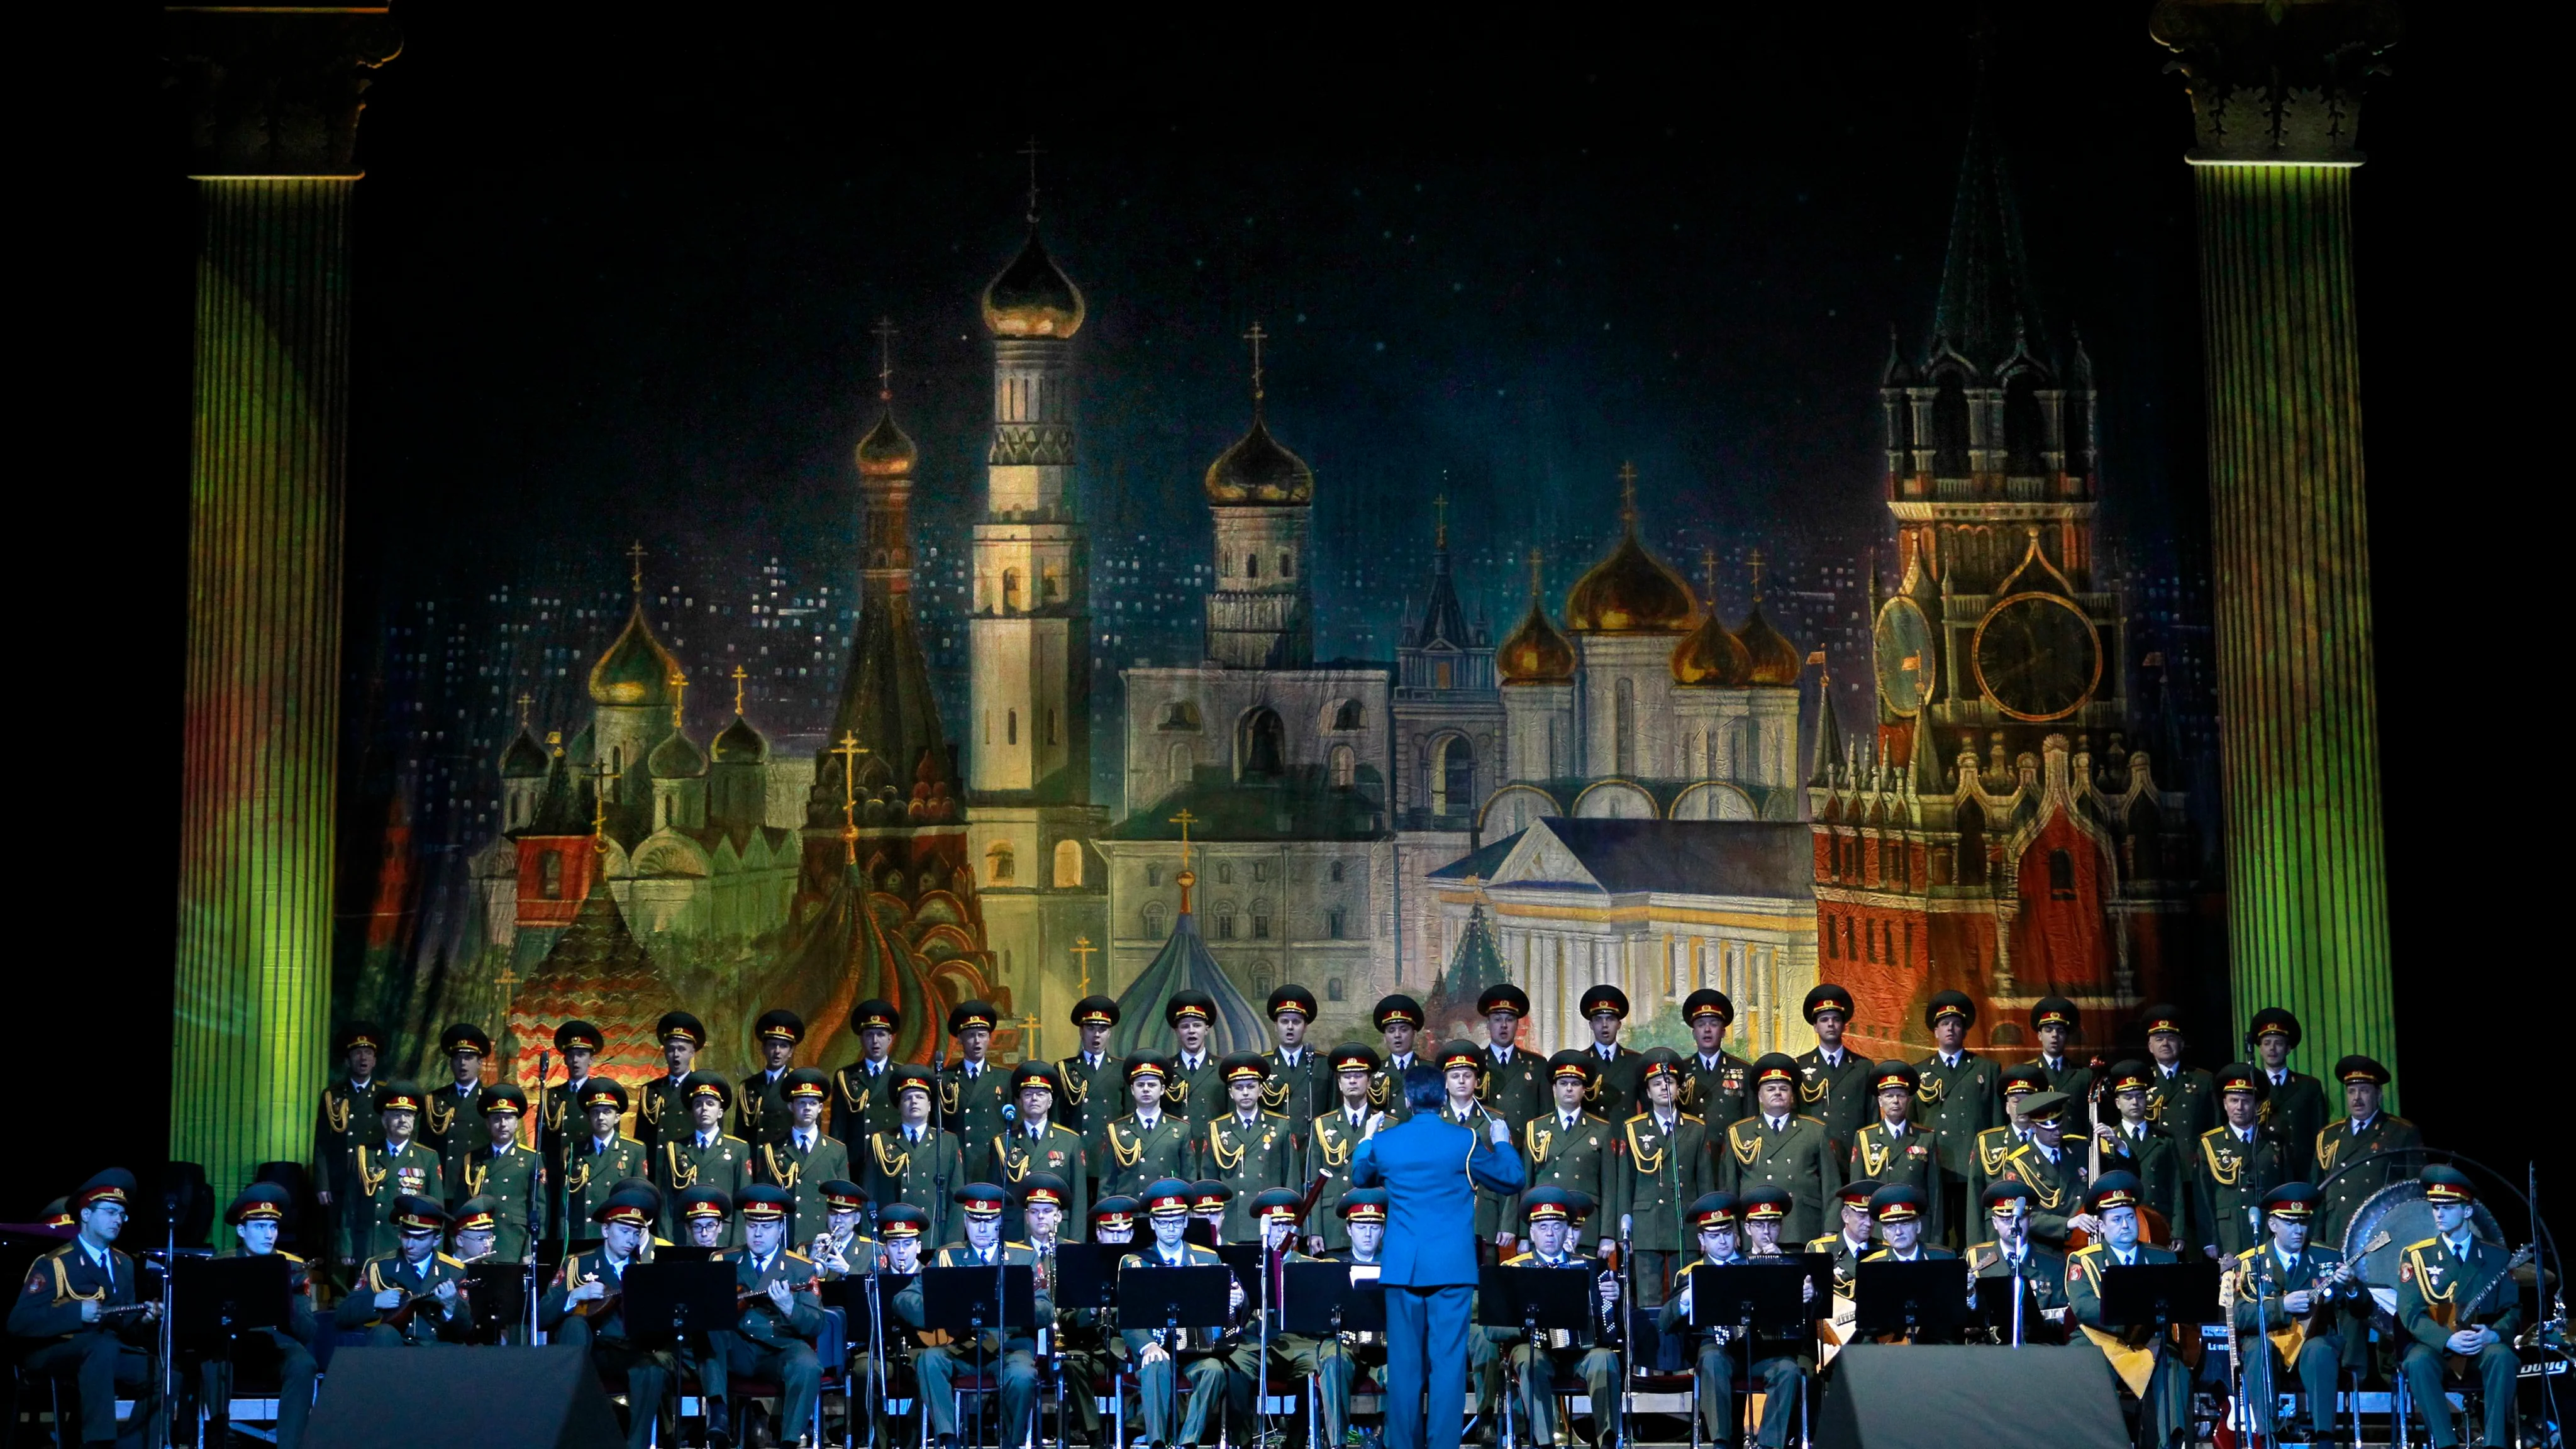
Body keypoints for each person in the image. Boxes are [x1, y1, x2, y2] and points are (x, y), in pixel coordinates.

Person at [1347, 1063, 1528, 1449]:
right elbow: (1512, 1179)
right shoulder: (1464, 1141)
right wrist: (1503, 1140)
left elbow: (1360, 1176)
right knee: (1447, 1368)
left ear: (1408, 1100)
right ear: (1443, 1097)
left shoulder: (1387, 1143)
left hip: (1403, 1270)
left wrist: (1367, 1138)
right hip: (1451, 1270)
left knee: (1405, 1368)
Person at [9, 1170, 162, 1446]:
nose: (118, 1220)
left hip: (105, 1352)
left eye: (121, 1214)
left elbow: (123, 1322)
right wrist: (75, 1313)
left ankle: (133, 1444)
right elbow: (19, 1322)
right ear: (86, 1214)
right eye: (110, 1212)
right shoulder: (54, 1263)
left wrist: (145, 1319)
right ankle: (98, 1443)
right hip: (55, 1351)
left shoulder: (123, 1263)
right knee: (100, 1348)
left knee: (164, 1374)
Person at [897, 1182, 1051, 1449]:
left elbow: (1046, 1309)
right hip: (962, 1347)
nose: (982, 1228)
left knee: (1023, 1376)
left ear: (999, 1222)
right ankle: (948, 1437)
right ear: (966, 1221)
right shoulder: (948, 1257)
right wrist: (938, 1311)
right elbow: (904, 1299)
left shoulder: (1022, 1258)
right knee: (929, 1359)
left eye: (989, 1221)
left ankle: (1012, 1443)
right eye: (975, 1220)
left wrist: (1016, 1307)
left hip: (1008, 1348)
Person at [1662, 1191, 1807, 1449]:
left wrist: (1779, 1269)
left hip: (1759, 1352)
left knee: (1788, 1370)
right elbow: (1664, 1323)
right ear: (1702, 1240)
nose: (1722, 1241)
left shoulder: (1756, 1264)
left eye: (1727, 1233)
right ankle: (1722, 1442)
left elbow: (1792, 1313)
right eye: (1714, 1236)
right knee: (1711, 1358)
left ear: (1737, 1234)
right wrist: (1686, 1299)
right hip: (1720, 1354)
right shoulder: (1692, 1273)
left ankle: (1769, 1444)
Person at [2232, 1181, 2367, 1444]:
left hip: (2311, 1344)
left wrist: (2352, 1287)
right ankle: (2268, 1438)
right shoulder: (2250, 1261)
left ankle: (2325, 1438)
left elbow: (2361, 1310)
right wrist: (2282, 1306)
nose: (2298, 1230)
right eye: (2290, 1223)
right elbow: (2238, 1315)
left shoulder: (2327, 1257)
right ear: (2272, 1225)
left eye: (2303, 1223)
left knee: (2320, 1350)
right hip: (2268, 1345)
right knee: (2258, 1349)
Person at [2397, 1166, 2521, 1449]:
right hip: (2438, 1343)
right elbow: (2410, 1313)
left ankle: (2495, 1444)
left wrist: (2493, 1334)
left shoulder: (2496, 1256)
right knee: (2416, 1362)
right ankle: (2446, 1444)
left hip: (2480, 1344)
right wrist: (2447, 1339)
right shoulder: (2416, 1255)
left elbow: (2512, 1309)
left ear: (2467, 1211)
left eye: (2448, 1207)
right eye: (2435, 1207)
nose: (2439, 1214)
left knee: (2502, 1357)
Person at [539, 1189, 672, 1449]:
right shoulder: (578, 1264)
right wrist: (574, 1295)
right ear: (605, 1231)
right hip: (588, 1351)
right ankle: (572, 1434)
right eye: (624, 1231)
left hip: (627, 1349)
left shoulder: (645, 1271)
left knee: (654, 1370)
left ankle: (637, 1445)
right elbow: (542, 1315)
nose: (630, 1240)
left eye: (636, 1233)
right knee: (575, 1324)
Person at [1489, 1187, 1621, 1449]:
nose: (1550, 1233)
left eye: (1557, 1226)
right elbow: (1493, 1330)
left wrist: (1615, 1299)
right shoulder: (1515, 1269)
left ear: (1567, 1230)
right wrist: (1527, 1323)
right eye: (1543, 1227)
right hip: (1535, 1350)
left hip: (1581, 1355)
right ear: (1532, 1232)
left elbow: (1612, 1326)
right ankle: (1543, 1442)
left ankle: (1605, 1440)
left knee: (1605, 1358)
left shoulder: (1590, 1267)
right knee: (1530, 1360)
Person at [1118, 1177, 1243, 1449]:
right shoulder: (1134, 1262)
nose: (1171, 1228)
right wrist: (1147, 1344)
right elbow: (1127, 1318)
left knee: (1214, 1371)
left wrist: (1236, 1301)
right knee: (1155, 1364)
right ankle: (1157, 1443)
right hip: (1155, 1346)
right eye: (1163, 1221)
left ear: (1187, 1221)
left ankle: (1189, 1441)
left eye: (1177, 1221)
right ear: (1152, 1223)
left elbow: (1223, 1316)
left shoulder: (1208, 1258)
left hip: (1197, 1350)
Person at [2066, 1172, 2189, 1449]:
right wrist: (2130, 1319)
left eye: (2130, 1217)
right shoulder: (2083, 1260)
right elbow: (2085, 1308)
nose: (2125, 1225)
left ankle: (2171, 1442)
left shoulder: (2163, 1257)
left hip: (2148, 1340)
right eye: (2117, 1220)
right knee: (2084, 1362)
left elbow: (2177, 1303)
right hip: (2102, 1339)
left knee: (2173, 1366)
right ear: (2101, 1225)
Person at [1226, 1188, 1354, 1449]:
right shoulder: (1244, 1262)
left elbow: (1323, 1319)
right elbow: (1232, 1317)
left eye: (1286, 1224)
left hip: (1299, 1344)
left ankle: (1296, 1442)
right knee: (1232, 1368)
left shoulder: (1311, 1266)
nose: (1281, 1232)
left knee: (1320, 1371)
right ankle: (1242, 1442)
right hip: (1255, 1342)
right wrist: (1238, 1304)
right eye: (1274, 1225)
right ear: (1263, 1228)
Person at [200, 1183, 318, 1449]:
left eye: (273, 1227)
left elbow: (308, 1332)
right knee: (211, 1360)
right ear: (242, 1231)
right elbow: (203, 1323)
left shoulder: (294, 1269)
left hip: (274, 1350)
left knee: (304, 1364)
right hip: (231, 1349)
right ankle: (218, 1439)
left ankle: (290, 1445)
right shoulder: (220, 1265)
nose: (269, 1235)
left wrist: (284, 1296)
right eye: (260, 1226)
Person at [718, 1184, 828, 1446]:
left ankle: (790, 1440)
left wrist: (790, 1307)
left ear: (780, 1229)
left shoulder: (800, 1268)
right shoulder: (724, 1262)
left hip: (779, 1348)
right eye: (752, 1225)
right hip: (739, 1347)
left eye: (766, 1227)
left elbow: (817, 1324)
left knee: (808, 1365)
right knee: (710, 1335)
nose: (758, 1234)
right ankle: (717, 1416)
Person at [1613, 1048, 1709, 1313]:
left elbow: (1704, 1182)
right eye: (1657, 1084)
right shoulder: (1633, 1128)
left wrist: (1706, 1227)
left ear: (1679, 1087)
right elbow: (1625, 1180)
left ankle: (1687, 1355)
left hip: (1683, 1223)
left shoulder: (1695, 1128)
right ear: (1648, 1091)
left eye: (1669, 1082)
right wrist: (1624, 1225)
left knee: (1687, 1298)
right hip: (1646, 1222)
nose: (1664, 1088)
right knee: (1647, 1299)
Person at [1718, 1053, 1841, 1244]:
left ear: (1792, 1096)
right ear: (1760, 1096)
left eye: (1784, 1088)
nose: (1777, 1093)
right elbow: (1729, 1188)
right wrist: (1732, 1229)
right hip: (1755, 1228)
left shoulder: (1815, 1130)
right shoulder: (1739, 1132)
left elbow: (1831, 1186)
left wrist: (1831, 1229)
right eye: (1770, 1089)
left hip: (1802, 1227)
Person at [1913, 991, 1997, 1238]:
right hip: (1934, 1163)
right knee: (1935, 1231)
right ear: (1935, 1031)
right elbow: (1914, 1124)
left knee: (1969, 1231)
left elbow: (1996, 1122)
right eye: (1944, 1024)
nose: (1950, 1029)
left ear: (1965, 1030)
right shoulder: (1919, 1072)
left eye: (1957, 1024)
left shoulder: (1986, 1069)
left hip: (1971, 1163)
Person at [2314, 1055, 2422, 1245]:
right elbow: (2318, 1195)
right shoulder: (2329, 1136)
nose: (2357, 1098)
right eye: (2351, 1091)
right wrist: (2315, 1242)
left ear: (2378, 1094)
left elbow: (2414, 1193)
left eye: (2364, 1091)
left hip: (2381, 1234)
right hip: (2337, 1234)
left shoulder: (2400, 1132)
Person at [336, 1194, 470, 1346]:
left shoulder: (454, 1271)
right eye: (406, 1236)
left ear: (437, 1240)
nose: (410, 1245)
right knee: (382, 1333)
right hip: (394, 1349)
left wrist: (451, 1306)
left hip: (434, 1351)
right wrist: (375, 1301)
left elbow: (465, 1330)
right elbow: (342, 1315)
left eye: (420, 1239)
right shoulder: (379, 1267)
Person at [2193, 1062, 2292, 1263]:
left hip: (2267, 1230)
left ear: (2257, 1106)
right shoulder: (2210, 1143)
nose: (2240, 1107)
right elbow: (2203, 1197)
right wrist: (2209, 1239)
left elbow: (2286, 1189)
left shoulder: (2275, 1143)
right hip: (2228, 1232)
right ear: (2224, 1103)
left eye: (2246, 1101)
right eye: (2234, 1100)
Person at [1518, 1050, 1616, 1250]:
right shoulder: (1535, 1128)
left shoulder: (1601, 1129)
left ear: (1584, 1089)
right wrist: (1524, 1234)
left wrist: (1607, 1234)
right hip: (1545, 1224)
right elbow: (1526, 1183)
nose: (1569, 1089)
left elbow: (1609, 1186)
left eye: (1575, 1084)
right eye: (1563, 1084)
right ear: (1554, 1088)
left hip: (1585, 1225)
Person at [862, 1063, 968, 1246]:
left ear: (929, 1105)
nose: (914, 1102)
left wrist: (953, 1245)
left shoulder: (947, 1141)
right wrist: (870, 1243)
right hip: (894, 1236)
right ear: (899, 1106)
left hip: (935, 1236)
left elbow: (956, 1198)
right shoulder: (882, 1141)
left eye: (920, 1097)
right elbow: (870, 1195)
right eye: (907, 1098)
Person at [1431, 1039, 1518, 1253]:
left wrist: (1507, 1223)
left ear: (1477, 1081)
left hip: (1484, 1214)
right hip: (1441, 1214)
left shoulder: (1495, 1121)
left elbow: (1507, 1171)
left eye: (1468, 1076)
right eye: (1455, 1076)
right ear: (1445, 1081)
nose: (1462, 1081)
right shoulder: (1433, 1120)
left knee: (1483, 1277)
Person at [312, 1021, 386, 1269]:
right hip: (339, 1179)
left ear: (375, 1060)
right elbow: (322, 1142)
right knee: (337, 1239)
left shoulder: (384, 1096)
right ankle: (337, 1297)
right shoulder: (333, 1095)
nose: (363, 1058)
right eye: (357, 1053)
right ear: (348, 1060)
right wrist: (322, 1183)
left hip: (372, 1178)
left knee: (367, 1234)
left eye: (368, 1053)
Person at [1200, 1053, 1296, 1241]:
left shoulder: (1280, 1125)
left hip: (1271, 1221)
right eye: (1239, 1087)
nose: (1245, 1092)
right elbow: (1209, 1181)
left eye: (1251, 1087)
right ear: (1230, 1093)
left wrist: (1292, 1227)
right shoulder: (1217, 1128)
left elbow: (1290, 1179)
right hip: (1230, 1223)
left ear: (1261, 1090)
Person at [1847, 1060, 1944, 1248]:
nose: (1895, 1101)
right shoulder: (1865, 1137)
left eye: (1901, 1095)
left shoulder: (1925, 1137)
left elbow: (1935, 1194)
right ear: (1880, 1100)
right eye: (1889, 1095)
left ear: (1909, 1099)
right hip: (1879, 1229)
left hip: (1916, 1227)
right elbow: (1858, 1193)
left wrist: (1936, 1237)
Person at [2094, 1060, 2189, 1248]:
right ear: (2117, 1103)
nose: (2135, 1102)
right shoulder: (2107, 1138)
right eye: (2128, 1097)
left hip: (2159, 1221)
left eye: (2140, 1096)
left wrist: (2178, 1231)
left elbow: (2176, 1188)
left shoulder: (2165, 1140)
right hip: (2121, 1224)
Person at [347, 1082, 442, 1267]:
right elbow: (350, 1206)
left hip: (409, 1246)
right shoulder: (365, 1155)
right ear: (384, 1120)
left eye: (408, 1115)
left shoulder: (428, 1158)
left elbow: (437, 1212)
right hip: (369, 1245)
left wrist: (435, 1252)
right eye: (397, 1115)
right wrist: (347, 1247)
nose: (403, 1120)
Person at [1306, 1043, 1387, 1252]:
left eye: (1359, 1075)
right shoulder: (1322, 1125)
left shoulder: (1388, 1124)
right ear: (1339, 1083)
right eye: (1346, 1076)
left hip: (1374, 1224)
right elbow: (1312, 1182)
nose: (1352, 1080)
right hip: (1332, 1224)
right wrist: (1313, 1229)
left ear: (1369, 1082)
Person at [996, 1060, 1089, 1240]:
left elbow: (1079, 1200)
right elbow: (997, 1199)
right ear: (1020, 1101)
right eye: (1028, 1094)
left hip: (1059, 1233)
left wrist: (1076, 1244)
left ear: (1050, 1101)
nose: (1034, 1099)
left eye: (1041, 1094)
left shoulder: (1070, 1141)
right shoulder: (1003, 1142)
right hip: (1016, 1235)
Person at [449, 1081, 541, 1261]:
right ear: (488, 1123)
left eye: (508, 1118)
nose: (502, 1124)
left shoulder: (532, 1159)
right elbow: (459, 1210)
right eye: (497, 1119)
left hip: (513, 1245)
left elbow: (538, 1212)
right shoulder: (472, 1160)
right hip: (475, 1248)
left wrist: (530, 1251)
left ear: (516, 1123)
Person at [1965, 1179, 2067, 1340]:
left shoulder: (2053, 1263)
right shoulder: (1974, 1257)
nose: (2012, 1226)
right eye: (2005, 1220)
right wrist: (1970, 1295)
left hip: (2036, 1350)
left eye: (2018, 1219)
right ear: (1995, 1223)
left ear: (2030, 1220)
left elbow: (2060, 1321)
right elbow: (1963, 1319)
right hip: (1987, 1352)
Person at [656, 1075, 752, 1244]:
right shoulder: (676, 1149)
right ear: (692, 1111)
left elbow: (741, 1204)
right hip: (684, 1236)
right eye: (698, 1104)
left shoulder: (738, 1149)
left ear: (720, 1112)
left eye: (710, 1104)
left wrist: (738, 1245)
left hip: (722, 1235)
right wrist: (666, 1243)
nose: (704, 1109)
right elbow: (667, 1204)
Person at [761, 1066, 852, 1244]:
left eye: (812, 1103)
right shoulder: (772, 1150)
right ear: (791, 1106)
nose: (807, 1108)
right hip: (785, 1238)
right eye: (802, 1103)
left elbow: (843, 1203)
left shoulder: (836, 1151)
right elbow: (766, 1201)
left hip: (822, 1238)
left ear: (820, 1108)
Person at [1997, 1091, 2090, 1248]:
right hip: (2042, 1247)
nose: (2057, 1132)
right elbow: (2023, 1214)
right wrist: (2067, 1223)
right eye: (2049, 1128)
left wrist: (2120, 1148)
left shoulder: (2081, 1148)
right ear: (2033, 1127)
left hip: (2083, 1241)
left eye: (2060, 1126)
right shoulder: (2018, 1162)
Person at [2247, 1008, 2329, 1182]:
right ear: (2260, 1049)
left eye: (2278, 1043)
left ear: (2289, 1048)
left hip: (2302, 1172)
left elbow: (2320, 1137)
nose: (2272, 1049)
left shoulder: (2309, 1086)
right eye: (2267, 1043)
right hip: (2265, 1173)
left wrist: (2316, 1178)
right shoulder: (2250, 1086)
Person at [1793, 985, 1872, 1162]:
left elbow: (1872, 1118)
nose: (1830, 1024)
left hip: (1852, 1155)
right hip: (1814, 1154)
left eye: (1836, 1019)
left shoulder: (1863, 1067)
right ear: (1815, 1026)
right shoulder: (1800, 1066)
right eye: (1824, 1019)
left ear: (1844, 1025)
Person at [1101, 1053, 1194, 1200]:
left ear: (1163, 1089)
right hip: (1130, 1211)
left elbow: (1189, 1180)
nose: (1146, 1089)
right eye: (1140, 1085)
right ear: (1132, 1090)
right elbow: (1107, 1183)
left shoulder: (1181, 1129)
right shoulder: (1117, 1130)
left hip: (1166, 1211)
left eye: (1152, 1085)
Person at [561, 1079, 649, 1232]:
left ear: (617, 1117)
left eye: (607, 1112)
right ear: (589, 1117)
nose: (601, 1117)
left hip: (617, 1232)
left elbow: (640, 1197)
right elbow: (565, 1203)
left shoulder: (635, 1150)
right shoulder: (575, 1151)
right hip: (582, 1233)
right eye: (595, 1112)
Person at [1059, 995, 1126, 1191]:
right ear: (1081, 1031)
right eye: (1091, 1029)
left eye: (1102, 1030)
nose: (1096, 1036)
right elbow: (1058, 1119)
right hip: (1077, 1155)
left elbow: (1128, 1117)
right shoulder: (1065, 1069)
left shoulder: (1121, 1070)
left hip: (1111, 1155)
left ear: (1110, 1033)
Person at [940, 999, 1013, 1170]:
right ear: (960, 1038)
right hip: (957, 1163)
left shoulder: (1004, 1078)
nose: (977, 1041)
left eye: (982, 1035)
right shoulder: (945, 1078)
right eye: (971, 1035)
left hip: (992, 1163)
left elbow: (1012, 1126)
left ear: (989, 1038)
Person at [1968, 1063, 2050, 1210]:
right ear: (2007, 1107)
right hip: (1997, 1228)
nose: (2022, 1108)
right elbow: (1975, 1196)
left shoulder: (2048, 1140)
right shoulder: (1987, 1142)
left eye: (2028, 1101)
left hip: (2040, 1226)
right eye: (2016, 1102)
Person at [1263, 985, 1333, 1153]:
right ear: (1275, 1025)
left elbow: (1332, 1112)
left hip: (1312, 1151)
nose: (1290, 1027)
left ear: (1305, 1026)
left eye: (1296, 1022)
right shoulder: (1263, 1065)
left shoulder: (1323, 1064)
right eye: (1284, 1021)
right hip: (1273, 1150)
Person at [1475, 984, 1546, 1148]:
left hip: (1524, 1149)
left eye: (1510, 1019)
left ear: (1518, 1024)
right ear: (1488, 1024)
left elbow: (1545, 1117)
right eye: (1498, 1019)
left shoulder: (1537, 1065)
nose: (1504, 1025)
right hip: (1486, 1150)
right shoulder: (1476, 1064)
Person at [538, 1018, 605, 1180]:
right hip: (556, 1174)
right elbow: (542, 1143)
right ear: (565, 1059)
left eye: (581, 1055)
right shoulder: (551, 1096)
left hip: (588, 1172)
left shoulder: (601, 1094)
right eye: (571, 1055)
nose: (576, 1060)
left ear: (591, 1059)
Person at [1677, 989, 1750, 1133]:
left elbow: (1750, 1119)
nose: (1707, 1030)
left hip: (1729, 1150)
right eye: (1701, 1024)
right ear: (1694, 1033)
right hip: (1694, 1150)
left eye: (1714, 1024)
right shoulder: (1681, 1070)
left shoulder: (1744, 1070)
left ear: (1723, 1032)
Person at [2138, 1006, 2215, 1143]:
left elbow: (2215, 1127)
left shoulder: (2203, 1080)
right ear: (2150, 1047)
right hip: (2156, 1160)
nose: (2165, 1044)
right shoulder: (2141, 1080)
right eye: (2159, 1039)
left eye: (2171, 1039)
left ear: (2181, 1044)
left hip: (2191, 1160)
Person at [831, 997, 904, 1143]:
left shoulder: (901, 1075)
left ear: (890, 1039)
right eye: (869, 1035)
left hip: (892, 1158)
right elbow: (838, 1126)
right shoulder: (846, 1077)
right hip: (858, 1160)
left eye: (881, 1035)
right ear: (861, 1039)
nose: (875, 1041)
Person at [637, 1009, 708, 1155]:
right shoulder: (650, 1090)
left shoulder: (701, 1089)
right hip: (656, 1170)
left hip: (688, 1168)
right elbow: (641, 1141)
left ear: (692, 1052)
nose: (676, 1055)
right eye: (671, 1049)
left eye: (682, 1049)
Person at [425, 1022, 494, 1168]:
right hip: (442, 1180)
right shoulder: (435, 1099)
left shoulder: (490, 1100)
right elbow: (425, 1148)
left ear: (480, 1063)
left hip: (475, 1179)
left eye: (469, 1058)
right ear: (451, 1063)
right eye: (457, 1058)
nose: (462, 1063)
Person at [1575, 985, 1644, 1126]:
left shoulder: (1636, 1061)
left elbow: (1647, 1108)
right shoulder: (1580, 1062)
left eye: (1610, 1019)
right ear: (1591, 1025)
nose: (1604, 1025)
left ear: (1619, 1024)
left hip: (1625, 1138)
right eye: (1598, 1020)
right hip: (1592, 1139)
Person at [738, 1008, 806, 1146]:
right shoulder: (748, 1086)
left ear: (791, 1052)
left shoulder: (797, 1084)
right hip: (755, 1161)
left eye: (783, 1046)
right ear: (763, 1048)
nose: (777, 1052)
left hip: (785, 1161)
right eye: (773, 1045)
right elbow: (740, 1134)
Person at [1166, 991, 1225, 1128]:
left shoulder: (1222, 1068)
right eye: (1185, 1026)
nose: (1191, 1031)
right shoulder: (1166, 1069)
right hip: (1176, 1146)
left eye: (1197, 1025)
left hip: (1212, 1144)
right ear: (1177, 1031)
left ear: (1206, 1029)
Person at [2024, 996, 2097, 1104]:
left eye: (2061, 1031)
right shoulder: (2027, 1073)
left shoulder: (2083, 1075)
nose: (2055, 1035)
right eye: (2049, 1031)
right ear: (2040, 1036)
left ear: (2066, 1036)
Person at [1370, 994, 1426, 1118]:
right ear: (1385, 1038)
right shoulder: (1375, 1071)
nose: (1397, 1035)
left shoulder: (1429, 1069)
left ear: (1414, 1035)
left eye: (1404, 1029)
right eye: (1391, 1030)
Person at [675, 1185, 734, 1250]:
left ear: (720, 1226)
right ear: (688, 1228)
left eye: (710, 1226)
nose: (704, 1234)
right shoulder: (679, 1260)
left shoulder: (730, 1259)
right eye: (697, 1227)